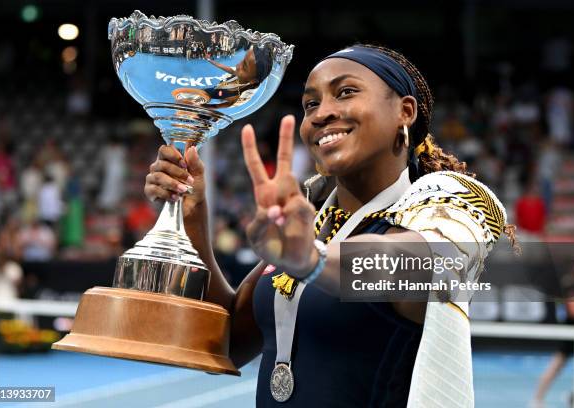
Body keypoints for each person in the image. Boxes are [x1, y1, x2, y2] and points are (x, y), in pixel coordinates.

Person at [145, 44, 516, 407]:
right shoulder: (316, 218)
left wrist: (312, 259)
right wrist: (192, 213)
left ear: (405, 111)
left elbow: (409, 262)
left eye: (346, 92)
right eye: (311, 104)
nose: (322, 113)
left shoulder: (453, 201)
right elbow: (226, 343)